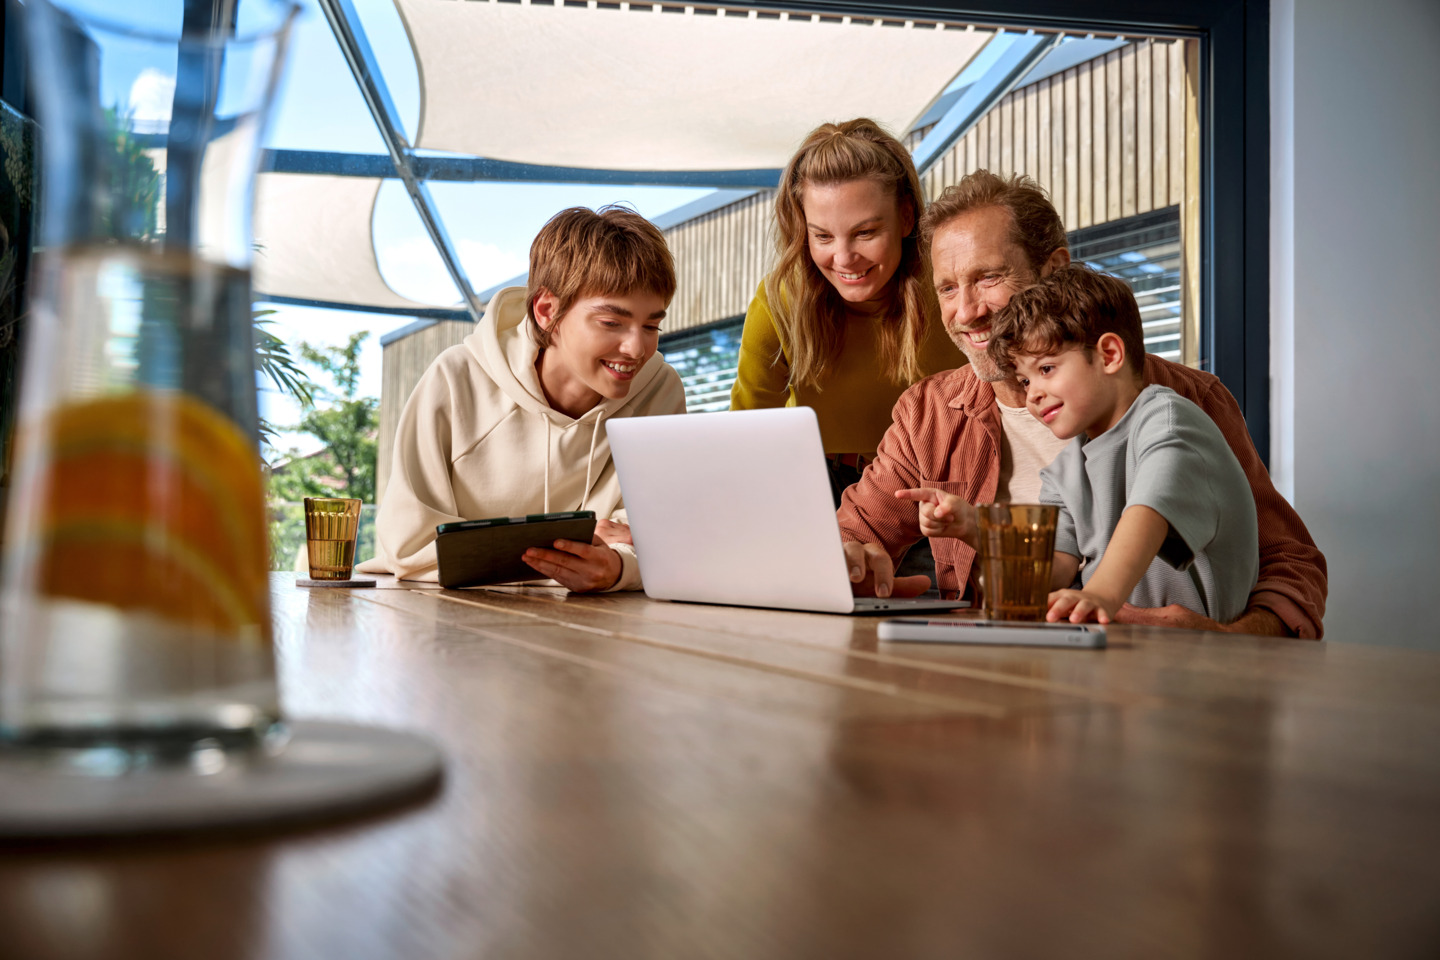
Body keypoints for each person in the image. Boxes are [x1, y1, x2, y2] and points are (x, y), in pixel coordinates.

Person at [838, 170, 1327, 638]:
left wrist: (1230, 640)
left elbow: (1284, 559)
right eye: (948, 287)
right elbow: (855, 536)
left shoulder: (1182, 405)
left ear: (1053, 270)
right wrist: (955, 529)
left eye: (988, 278)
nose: (966, 312)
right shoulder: (932, 415)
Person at [357, 205, 686, 592]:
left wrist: (616, 568)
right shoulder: (455, 380)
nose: (636, 348)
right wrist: (559, 558)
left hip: (596, 624)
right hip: (442, 619)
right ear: (547, 311)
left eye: (651, 325)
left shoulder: (660, 390)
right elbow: (409, 544)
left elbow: (667, 538)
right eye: (611, 322)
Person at [913, 264, 1259, 626]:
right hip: (1114, 652)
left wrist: (1099, 596)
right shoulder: (1066, 469)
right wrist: (973, 527)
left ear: (1109, 354)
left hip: (1201, 660)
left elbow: (1149, 513)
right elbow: (1055, 570)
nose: (1033, 394)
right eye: (1024, 380)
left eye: (1046, 369)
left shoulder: (1170, 423)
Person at [729, 118, 961, 505]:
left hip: (935, 481)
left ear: (906, 217)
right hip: (815, 484)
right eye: (822, 236)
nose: (843, 258)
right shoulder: (781, 301)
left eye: (865, 233)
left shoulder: (949, 288)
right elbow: (745, 436)